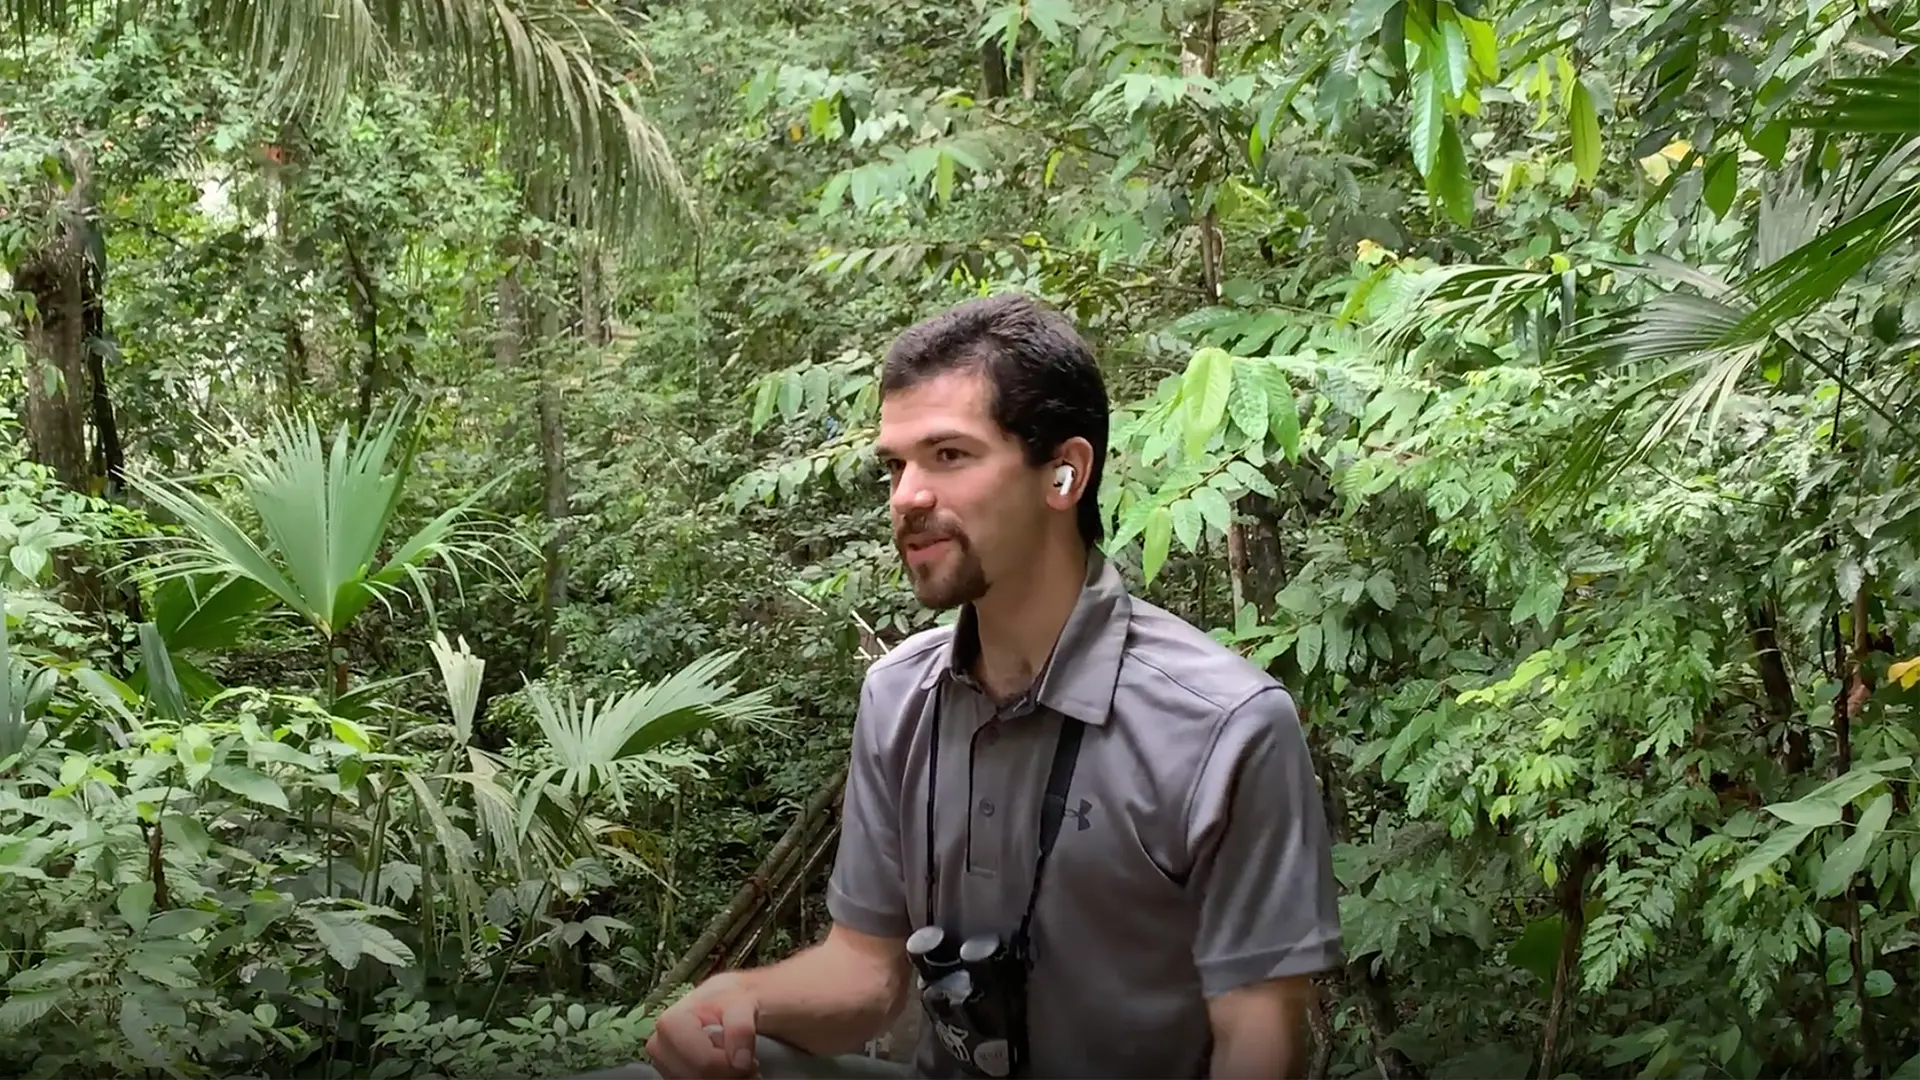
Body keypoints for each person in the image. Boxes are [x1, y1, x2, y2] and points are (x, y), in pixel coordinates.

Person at [644, 293, 1343, 1080]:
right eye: (896, 465)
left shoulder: (1224, 726)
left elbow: (1260, 1040)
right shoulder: (899, 697)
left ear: (1063, 474)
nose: (905, 496)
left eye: (949, 455)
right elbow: (866, 976)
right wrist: (738, 998)